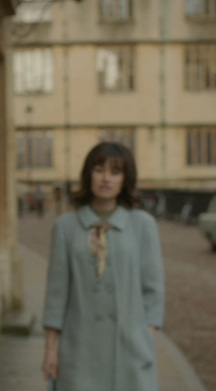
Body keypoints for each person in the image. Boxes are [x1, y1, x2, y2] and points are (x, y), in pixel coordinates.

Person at [41, 142, 164, 391]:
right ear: (89, 175)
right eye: (99, 170)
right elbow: (56, 293)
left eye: (115, 172)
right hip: (79, 351)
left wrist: (145, 339)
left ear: (125, 179)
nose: (106, 179)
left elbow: (153, 290)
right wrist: (50, 350)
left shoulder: (143, 225)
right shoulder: (66, 227)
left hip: (130, 352)